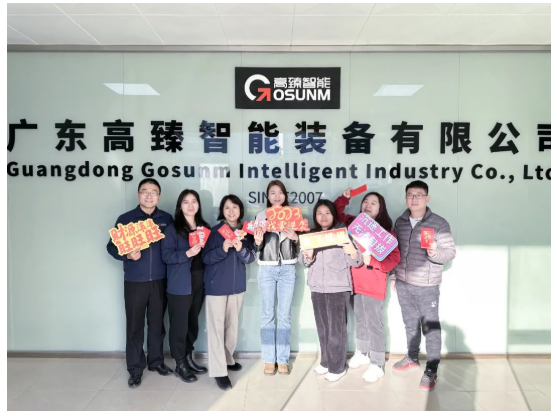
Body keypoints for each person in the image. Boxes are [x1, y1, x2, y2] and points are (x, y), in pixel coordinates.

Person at [106, 178, 174, 388]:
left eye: (153, 192)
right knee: (135, 326)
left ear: (159, 196)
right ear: (138, 195)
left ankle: (156, 362)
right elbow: (111, 247)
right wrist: (127, 254)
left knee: (157, 324)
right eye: (145, 191)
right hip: (135, 282)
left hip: (160, 281)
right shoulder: (126, 219)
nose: (149, 195)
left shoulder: (167, 219)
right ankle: (135, 369)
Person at [391, 180, 456, 391]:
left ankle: (432, 369)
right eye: (410, 195)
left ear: (427, 198)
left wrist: (435, 253)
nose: (414, 199)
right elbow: (394, 252)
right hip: (403, 283)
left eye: (419, 195)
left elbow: (450, 253)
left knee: (430, 327)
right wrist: (393, 277)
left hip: (427, 286)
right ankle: (412, 357)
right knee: (410, 324)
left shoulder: (439, 223)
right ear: (405, 198)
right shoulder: (400, 222)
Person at [335, 189, 401, 383]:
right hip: (354, 284)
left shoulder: (386, 233)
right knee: (360, 320)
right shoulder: (353, 224)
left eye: (374, 203)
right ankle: (362, 353)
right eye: (365, 201)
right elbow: (335, 213)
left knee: (374, 323)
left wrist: (373, 261)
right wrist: (345, 198)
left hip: (373, 285)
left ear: (381, 209)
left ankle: (377, 363)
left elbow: (394, 259)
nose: (368, 205)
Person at [299, 199, 362, 382]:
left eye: (327, 212)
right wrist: (308, 256)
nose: (324, 216)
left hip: (338, 287)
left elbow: (356, 261)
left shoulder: (343, 234)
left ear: (334, 215)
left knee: (336, 330)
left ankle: (337, 367)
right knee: (323, 328)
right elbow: (303, 261)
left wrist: (352, 251)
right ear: (315, 216)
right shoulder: (310, 236)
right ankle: (326, 361)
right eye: (319, 213)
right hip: (317, 287)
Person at [202, 195, 257, 390]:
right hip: (216, 287)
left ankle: (227, 358)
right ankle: (219, 371)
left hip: (237, 288)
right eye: (227, 207)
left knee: (232, 328)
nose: (231, 211)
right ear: (222, 211)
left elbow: (250, 258)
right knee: (216, 330)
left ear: (240, 210)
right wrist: (223, 249)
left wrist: (241, 248)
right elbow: (205, 258)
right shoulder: (214, 232)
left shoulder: (245, 233)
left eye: (235, 207)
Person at [161, 189, 210, 383]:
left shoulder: (204, 228)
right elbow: (166, 256)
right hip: (180, 282)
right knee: (179, 325)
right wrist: (187, 254)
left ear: (198, 205)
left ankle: (188, 357)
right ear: (180, 206)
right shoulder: (173, 229)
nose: (190, 205)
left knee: (192, 322)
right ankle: (180, 363)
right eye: (186, 202)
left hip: (199, 280)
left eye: (194, 201)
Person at [253, 180, 300, 375]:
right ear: (268, 196)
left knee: (284, 316)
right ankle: (268, 359)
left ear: (285, 195)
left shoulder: (293, 215)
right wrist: (257, 241)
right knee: (267, 315)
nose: (277, 196)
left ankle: (282, 359)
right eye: (273, 192)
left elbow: (301, 244)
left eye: (280, 192)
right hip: (267, 268)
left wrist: (296, 238)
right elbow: (257, 247)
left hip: (288, 267)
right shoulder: (261, 216)